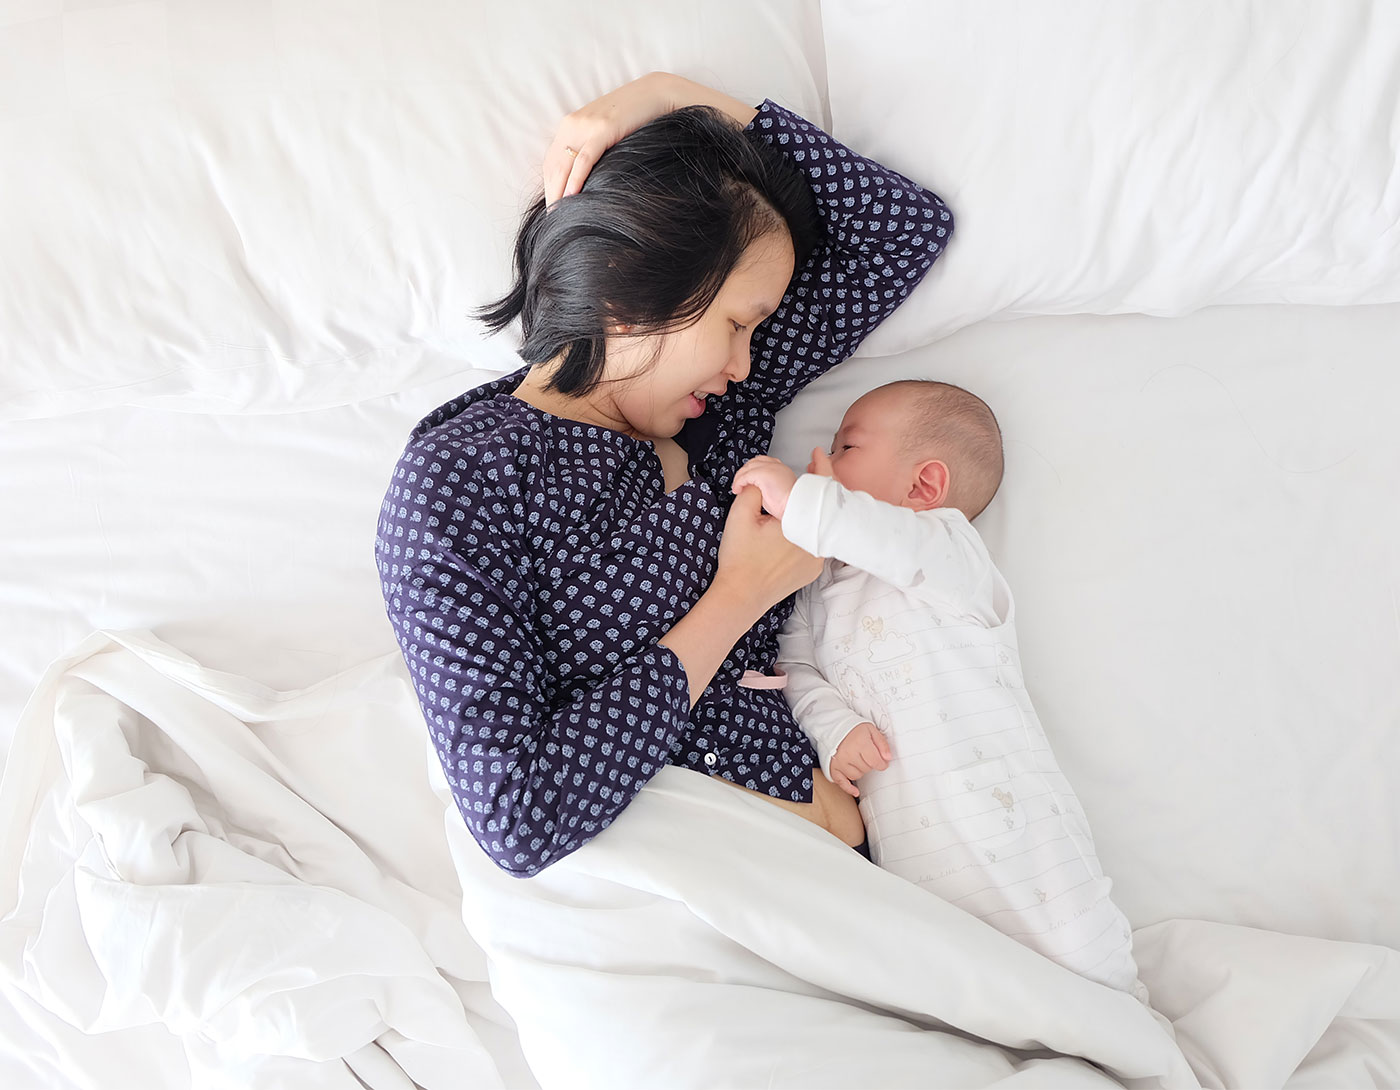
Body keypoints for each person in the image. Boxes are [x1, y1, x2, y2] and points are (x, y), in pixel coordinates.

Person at [374, 72, 953, 877]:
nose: (747, 360)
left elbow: (901, 230)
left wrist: (673, 98)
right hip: (688, 895)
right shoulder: (462, 479)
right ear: (631, 285)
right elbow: (517, 815)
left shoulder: (721, 416)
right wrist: (737, 598)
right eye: (737, 324)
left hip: (846, 880)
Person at [731, 380, 1148, 997]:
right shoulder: (819, 584)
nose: (822, 459)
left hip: (1017, 826)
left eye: (845, 448)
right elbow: (797, 671)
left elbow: (878, 537)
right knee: (960, 993)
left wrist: (803, 499)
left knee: (1084, 963)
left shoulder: (949, 551)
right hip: (918, 862)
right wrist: (834, 729)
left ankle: (1127, 1024)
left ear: (923, 488)